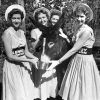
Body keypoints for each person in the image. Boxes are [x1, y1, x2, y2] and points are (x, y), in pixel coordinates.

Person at [47, 3, 100, 100]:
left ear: (86, 17)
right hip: (76, 60)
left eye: (82, 16)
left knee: (83, 86)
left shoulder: (87, 31)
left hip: (84, 62)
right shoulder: (78, 28)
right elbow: (74, 44)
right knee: (74, 87)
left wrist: (58, 61)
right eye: (77, 16)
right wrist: (66, 37)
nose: (79, 19)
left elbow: (74, 49)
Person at [2, 4, 38, 100]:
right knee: (16, 93)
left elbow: (26, 52)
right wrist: (30, 61)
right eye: (14, 18)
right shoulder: (7, 33)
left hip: (24, 65)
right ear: (10, 19)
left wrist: (34, 58)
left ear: (21, 19)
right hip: (12, 66)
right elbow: (10, 56)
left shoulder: (22, 32)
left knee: (26, 91)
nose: (16, 21)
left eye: (18, 18)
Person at [30, 7, 58, 100]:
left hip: (50, 59)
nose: (42, 20)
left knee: (50, 83)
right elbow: (34, 47)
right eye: (39, 18)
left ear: (47, 17)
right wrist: (42, 35)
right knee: (40, 84)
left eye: (44, 17)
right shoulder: (34, 31)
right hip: (39, 59)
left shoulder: (52, 29)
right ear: (37, 20)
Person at [50, 9, 71, 91]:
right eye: (53, 19)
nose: (55, 21)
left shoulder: (63, 31)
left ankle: (61, 94)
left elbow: (70, 44)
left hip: (62, 58)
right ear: (50, 19)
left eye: (57, 20)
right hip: (52, 58)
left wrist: (65, 37)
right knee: (52, 78)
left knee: (62, 77)